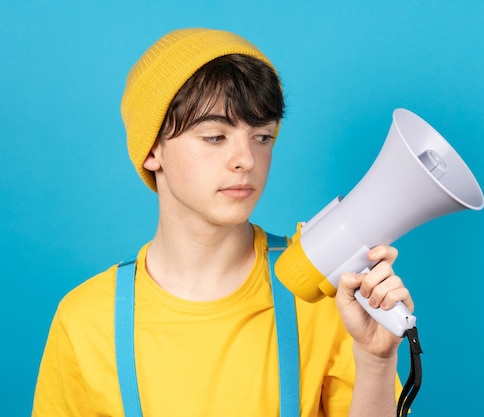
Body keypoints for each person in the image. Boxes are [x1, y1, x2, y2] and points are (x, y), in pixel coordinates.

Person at [32, 28, 414, 417]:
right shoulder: (84, 319)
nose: (246, 159)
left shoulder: (329, 296)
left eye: (262, 137)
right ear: (151, 150)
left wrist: (376, 361)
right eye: (215, 136)